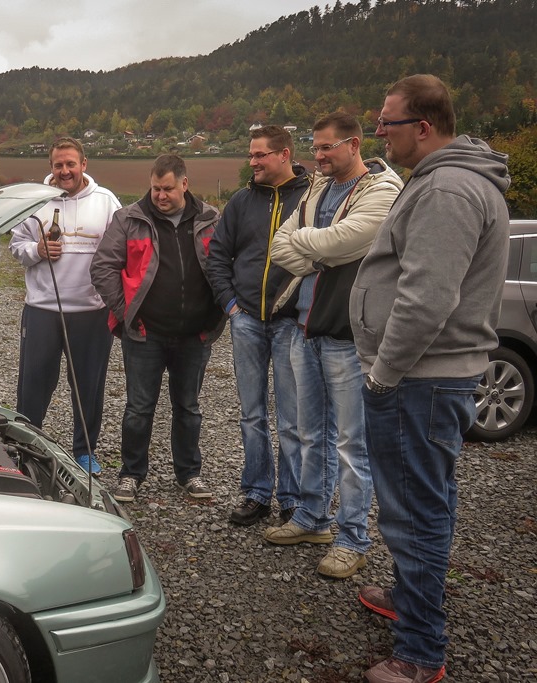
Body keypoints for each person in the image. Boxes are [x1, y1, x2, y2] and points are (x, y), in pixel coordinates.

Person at [352, 75, 510, 683]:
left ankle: (419, 651)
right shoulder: (448, 180)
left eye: (387, 123)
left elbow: (426, 298)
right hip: (430, 378)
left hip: (419, 379)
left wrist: (384, 374)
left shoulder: (446, 189)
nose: (379, 133)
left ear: (422, 127)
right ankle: (409, 597)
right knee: (425, 499)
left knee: (413, 510)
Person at [266, 112, 403, 580]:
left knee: (351, 443)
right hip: (305, 326)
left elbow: (353, 239)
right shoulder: (316, 188)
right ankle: (311, 518)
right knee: (310, 432)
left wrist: (311, 246)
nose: (319, 156)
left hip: (348, 334)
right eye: (315, 147)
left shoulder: (382, 190)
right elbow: (280, 246)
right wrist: (320, 249)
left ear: (354, 144)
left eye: (327, 147)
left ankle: (352, 539)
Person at [91, 154, 225, 502]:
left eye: (167, 189)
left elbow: (228, 265)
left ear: (185, 183)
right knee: (138, 408)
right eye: (155, 188)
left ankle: (189, 473)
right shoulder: (130, 219)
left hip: (195, 335)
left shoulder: (211, 219)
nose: (160, 196)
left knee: (189, 407)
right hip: (145, 334)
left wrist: (217, 316)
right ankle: (131, 474)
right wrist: (125, 313)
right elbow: (103, 267)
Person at [206, 125, 310, 526]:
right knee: (251, 413)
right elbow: (218, 256)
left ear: (284, 155)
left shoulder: (311, 198)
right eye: (250, 155)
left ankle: (292, 498)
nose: (252, 162)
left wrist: (303, 311)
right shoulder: (241, 202)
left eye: (260, 155)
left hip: (290, 324)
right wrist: (231, 306)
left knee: (291, 417)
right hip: (247, 319)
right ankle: (256, 491)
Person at [10, 137, 121, 474]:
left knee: (88, 384)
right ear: (51, 168)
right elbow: (16, 245)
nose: (65, 171)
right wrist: (37, 251)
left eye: (71, 164)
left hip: (90, 310)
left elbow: (121, 250)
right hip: (43, 307)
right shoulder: (36, 201)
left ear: (84, 164)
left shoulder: (106, 202)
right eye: (58, 165)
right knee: (34, 382)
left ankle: (84, 451)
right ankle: (25, 446)